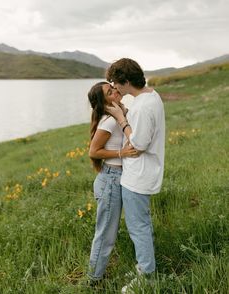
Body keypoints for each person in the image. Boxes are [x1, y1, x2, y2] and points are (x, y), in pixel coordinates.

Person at [106, 58, 165, 293]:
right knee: (142, 224)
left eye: (116, 83)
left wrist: (121, 119)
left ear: (126, 81)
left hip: (137, 176)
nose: (115, 88)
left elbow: (138, 144)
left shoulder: (141, 107)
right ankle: (144, 267)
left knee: (137, 227)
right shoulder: (152, 96)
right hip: (145, 173)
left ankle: (147, 276)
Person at [87, 81, 139, 284]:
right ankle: (94, 280)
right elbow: (93, 152)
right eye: (110, 91)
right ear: (105, 102)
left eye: (113, 87)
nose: (116, 90)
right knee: (106, 235)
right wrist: (121, 152)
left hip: (116, 178)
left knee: (109, 232)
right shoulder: (109, 121)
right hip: (110, 180)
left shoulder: (118, 116)